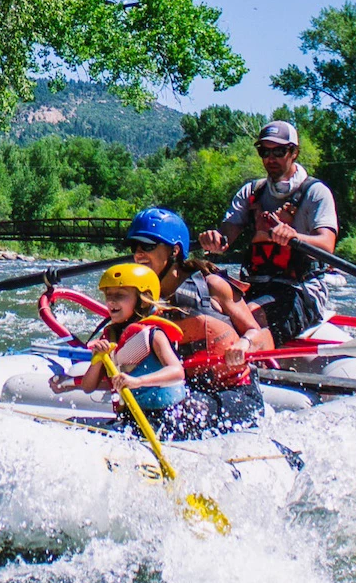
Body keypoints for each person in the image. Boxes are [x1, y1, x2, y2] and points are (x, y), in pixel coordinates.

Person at [197, 120, 339, 347]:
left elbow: (327, 246)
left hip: (301, 290)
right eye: (264, 151)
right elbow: (226, 237)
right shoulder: (251, 192)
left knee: (249, 315)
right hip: (256, 286)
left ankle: (245, 357)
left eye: (279, 151)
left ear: (294, 152)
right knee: (210, 310)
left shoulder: (316, 193)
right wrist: (214, 240)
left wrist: (294, 238)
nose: (270, 159)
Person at [122, 207, 272, 369]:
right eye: (134, 247)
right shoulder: (141, 297)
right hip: (177, 384)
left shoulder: (212, 286)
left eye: (147, 246)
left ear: (175, 250)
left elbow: (256, 331)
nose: (138, 254)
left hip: (230, 384)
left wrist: (244, 344)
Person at [48, 263, 188, 435]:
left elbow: (177, 372)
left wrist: (138, 381)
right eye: (108, 295)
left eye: (120, 295)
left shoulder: (154, 334)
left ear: (142, 301)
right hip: (132, 415)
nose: (111, 301)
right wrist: (98, 358)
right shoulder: (109, 337)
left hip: (168, 415)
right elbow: (88, 386)